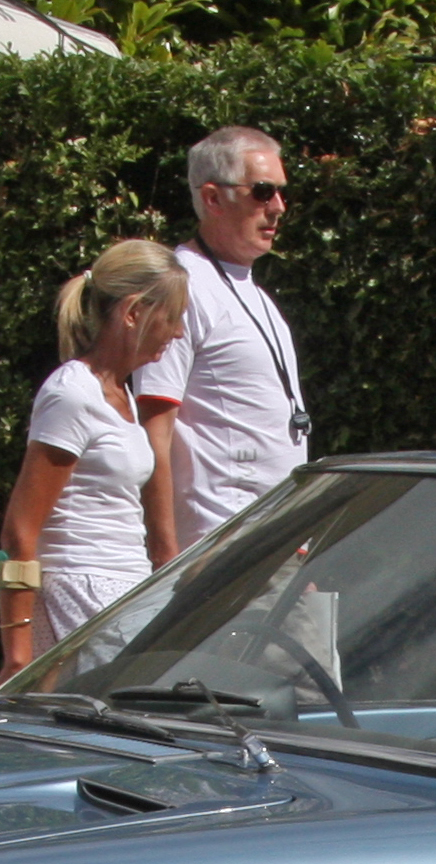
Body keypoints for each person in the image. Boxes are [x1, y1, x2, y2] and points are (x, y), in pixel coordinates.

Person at [0, 240, 190, 673]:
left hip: (126, 597)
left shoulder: (123, 396)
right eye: (172, 317)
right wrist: (18, 656)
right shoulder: (72, 394)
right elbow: (18, 533)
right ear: (134, 313)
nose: (177, 333)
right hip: (83, 603)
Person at [135, 125, 307, 553]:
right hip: (221, 552)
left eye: (283, 193)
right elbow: (155, 429)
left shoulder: (253, 292)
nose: (279, 208)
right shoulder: (183, 287)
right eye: (263, 192)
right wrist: (165, 557)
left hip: (280, 546)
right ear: (212, 198)